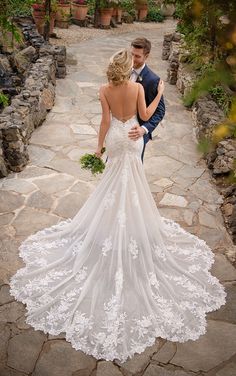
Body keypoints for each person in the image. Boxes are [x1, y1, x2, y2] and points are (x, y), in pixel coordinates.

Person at [10, 49, 226, 364]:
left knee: (110, 185)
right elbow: (147, 115)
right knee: (132, 186)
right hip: (132, 138)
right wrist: (160, 94)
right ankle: (129, 228)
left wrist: (98, 150)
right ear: (128, 69)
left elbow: (105, 120)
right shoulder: (138, 88)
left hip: (114, 138)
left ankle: (108, 227)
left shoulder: (103, 89)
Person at [128, 37, 165, 161]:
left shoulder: (153, 80)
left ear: (146, 56)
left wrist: (144, 130)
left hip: (137, 134)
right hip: (119, 130)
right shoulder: (123, 70)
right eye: (131, 54)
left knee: (133, 171)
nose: (133, 59)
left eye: (137, 56)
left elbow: (160, 111)